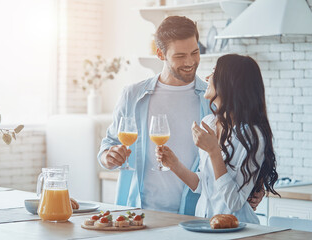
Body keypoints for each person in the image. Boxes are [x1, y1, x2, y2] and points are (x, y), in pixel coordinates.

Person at [97, 16, 264, 215]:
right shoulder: (133, 95)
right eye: (180, 56)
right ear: (160, 54)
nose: (190, 62)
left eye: (195, 52)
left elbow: (242, 150)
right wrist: (109, 157)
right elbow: (108, 145)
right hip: (140, 213)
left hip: (193, 215)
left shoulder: (212, 100)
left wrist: (255, 186)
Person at [156, 54, 279, 222]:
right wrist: (174, 164)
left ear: (230, 83)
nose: (207, 77)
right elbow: (204, 184)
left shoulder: (252, 135)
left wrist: (214, 151)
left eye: (214, 72)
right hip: (205, 224)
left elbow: (234, 202)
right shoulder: (209, 123)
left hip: (237, 230)